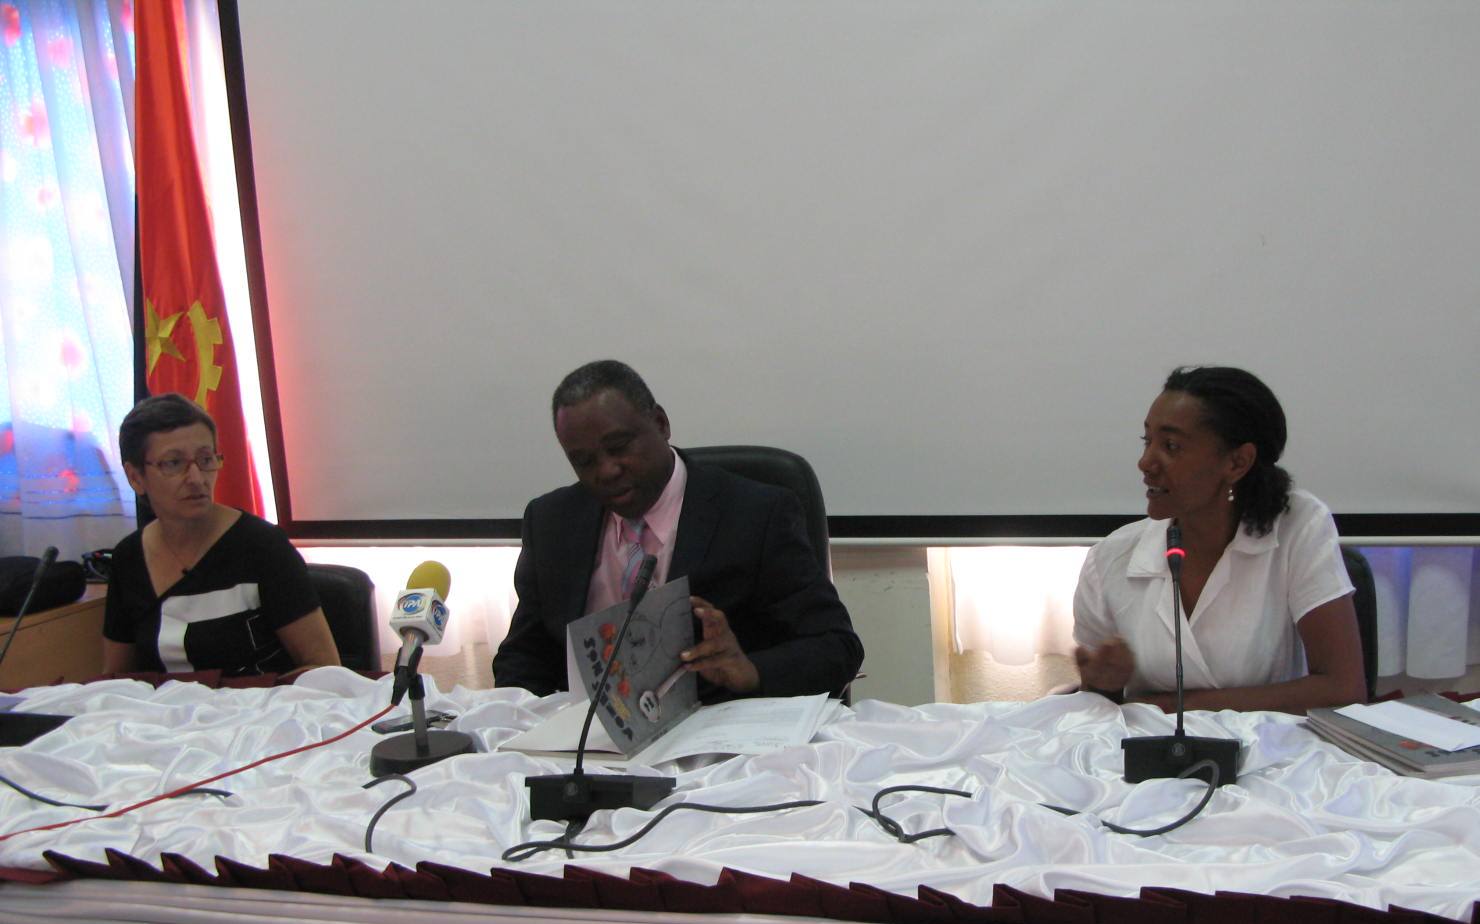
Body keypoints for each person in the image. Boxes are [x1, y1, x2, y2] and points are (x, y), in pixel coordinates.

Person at [492, 360, 863, 701]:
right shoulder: (551, 522)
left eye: (619, 447)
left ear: (660, 423)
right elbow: (523, 658)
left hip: (717, 733)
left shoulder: (755, 514)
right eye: (584, 461)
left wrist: (750, 671)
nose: (606, 471)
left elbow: (836, 646)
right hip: (589, 736)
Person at [1072, 366, 1366, 714]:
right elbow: (1097, 714)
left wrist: (1174, 708)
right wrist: (1101, 685)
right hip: (1147, 747)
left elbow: (1342, 689)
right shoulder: (1110, 558)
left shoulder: (1297, 525)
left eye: (1171, 446)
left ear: (1237, 462)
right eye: (1147, 441)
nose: (1145, 462)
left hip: (1266, 747)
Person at [102, 394, 340, 677]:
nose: (196, 478)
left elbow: (324, 668)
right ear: (135, 477)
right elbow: (118, 680)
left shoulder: (262, 546)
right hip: (165, 706)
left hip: (261, 703)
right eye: (174, 463)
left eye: (205, 459)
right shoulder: (128, 558)